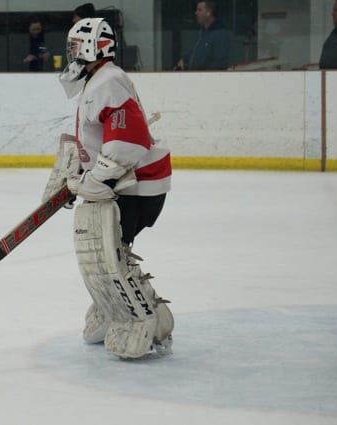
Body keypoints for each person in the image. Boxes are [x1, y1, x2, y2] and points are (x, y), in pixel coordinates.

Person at [42, 18, 174, 359]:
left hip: (138, 186)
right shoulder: (96, 82)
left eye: (73, 46)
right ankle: (115, 307)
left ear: (92, 46)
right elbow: (96, 136)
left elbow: (130, 139)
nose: (70, 53)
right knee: (106, 252)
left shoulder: (109, 80)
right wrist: (70, 172)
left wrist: (97, 179)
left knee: (109, 254)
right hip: (128, 183)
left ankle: (139, 318)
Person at [174, 1, 229, 71]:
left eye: (199, 10)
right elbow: (195, 52)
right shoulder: (203, 33)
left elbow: (219, 65)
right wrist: (184, 60)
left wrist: (200, 75)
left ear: (208, 13)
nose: (196, 13)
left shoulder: (220, 34)